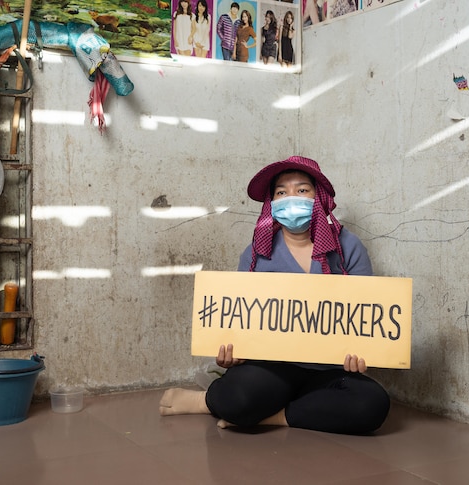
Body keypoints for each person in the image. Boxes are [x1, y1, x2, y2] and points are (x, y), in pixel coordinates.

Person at [160, 156, 391, 435]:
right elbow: (239, 323)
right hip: (272, 368)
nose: (291, 198)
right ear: (272, 203)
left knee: (372, 405)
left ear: (319, 198)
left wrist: (362, 353)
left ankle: (276, 416)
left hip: (331, 371)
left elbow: (365, 318)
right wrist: (232, 352)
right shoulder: (256, 254)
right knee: (238, 397)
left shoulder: (348, 247)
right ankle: (206, 400)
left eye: (302, 190)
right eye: (281, 192)